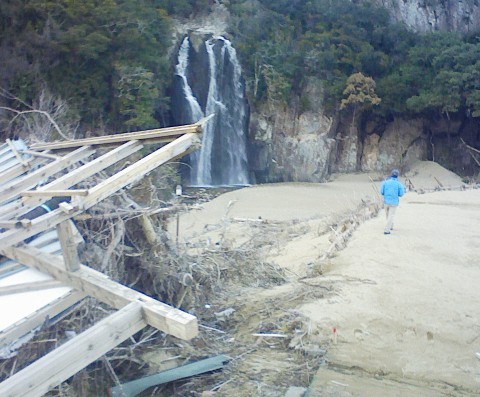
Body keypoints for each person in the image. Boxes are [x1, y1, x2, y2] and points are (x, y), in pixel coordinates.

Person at [380, 169, 405, 234]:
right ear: (397, 176)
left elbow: (381, 192)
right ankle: (387, 230)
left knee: (388, 215)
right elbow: (401, 194)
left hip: (386, 201)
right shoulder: (399, 184)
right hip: (394, 202)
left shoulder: (385, 182)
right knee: (391, 215)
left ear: (391, 174)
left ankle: (390, 226)